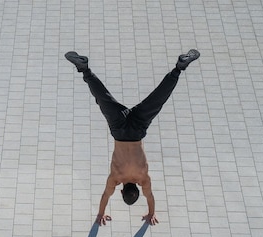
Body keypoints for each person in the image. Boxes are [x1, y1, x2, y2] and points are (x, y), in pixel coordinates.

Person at [65, 49, 200, 226]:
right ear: (121, 191)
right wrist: (100, 215)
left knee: (158, 98)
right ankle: (85, 69)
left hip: (137, 130)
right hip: (119, 130)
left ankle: (178, 68)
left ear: (137, 188)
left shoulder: (143, 178)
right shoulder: (116, 177)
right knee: (103, 99)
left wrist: (151, 213)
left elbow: (150, 197)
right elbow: (106, 195)